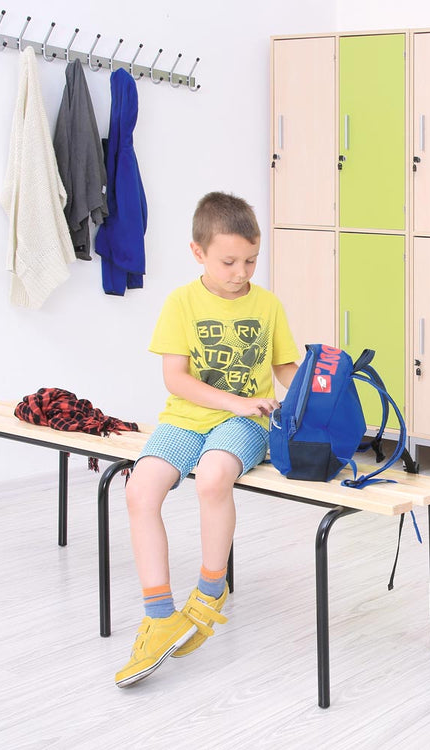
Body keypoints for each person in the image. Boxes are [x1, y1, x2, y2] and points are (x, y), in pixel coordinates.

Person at [116, 191, 299, 687]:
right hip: (185, 418)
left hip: (245, 423)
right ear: (198, 253)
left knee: (214, 478)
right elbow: (175, 378)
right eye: (229, 261)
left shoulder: (268, 305)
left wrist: (316, 383)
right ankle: (160, 615)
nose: (242, 271)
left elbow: (284, 366)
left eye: (251, 260)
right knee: (139, 489)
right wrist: (234, 401)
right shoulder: (181, 303)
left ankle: (210, 591)